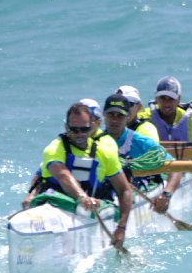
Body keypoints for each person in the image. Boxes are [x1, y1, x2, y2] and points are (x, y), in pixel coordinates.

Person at [21, 102, 132, 249]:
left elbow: (124, 190)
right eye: (74, 129)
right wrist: (82, 197)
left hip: (91, 210)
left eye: (84, 129)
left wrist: (121, 228)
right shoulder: (54, 148)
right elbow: (62, 175)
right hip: (57, 205)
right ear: (66, 127)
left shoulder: (104, 152)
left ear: (93, 126)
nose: (79, 134)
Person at [98, 94, 183, 214]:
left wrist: (166, 194)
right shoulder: (96, 142)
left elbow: (176, 169)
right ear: (104, 115)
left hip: (136, 191)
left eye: (120, 115)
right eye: (111, 114)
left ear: (128, 117)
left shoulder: (140, 142)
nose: (115, 120)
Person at [146, 76, 192, 143]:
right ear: (156, 98)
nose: (167, 103)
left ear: (179, 99)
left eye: (171, 98)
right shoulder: (145, 117)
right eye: (162, 98)